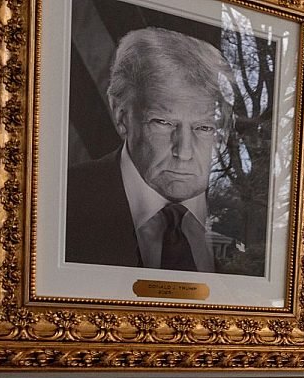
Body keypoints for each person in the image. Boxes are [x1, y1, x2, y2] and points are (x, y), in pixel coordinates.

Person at [65, 27, 235, 272]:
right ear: (122, 116)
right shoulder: (58, 200)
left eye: (204, 127)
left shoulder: (251, 222)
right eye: (163, 122)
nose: (184, 152)